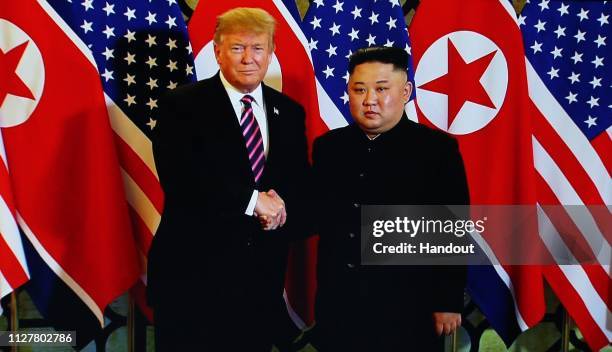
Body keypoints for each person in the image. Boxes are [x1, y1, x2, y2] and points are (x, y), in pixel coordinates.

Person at [146, 7, 310, 351]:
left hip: (260, 285)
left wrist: (283, 207)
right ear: (218, 51)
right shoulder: (181, 106)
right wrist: (254, 202)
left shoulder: (290, 112)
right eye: (237, 48)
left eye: (258, 48)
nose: (248, 58)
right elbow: (181, 180)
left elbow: (297, 183)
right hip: (193, 281)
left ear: (271, 52)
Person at [311, 46, 469, 351]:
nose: (370, 100)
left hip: (409, 307)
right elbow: (315, 213)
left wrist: (448, 300)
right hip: (340, 304)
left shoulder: (436, 150)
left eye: (382, 89)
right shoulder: (329, 147)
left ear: (406, 91)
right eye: (359, 90)